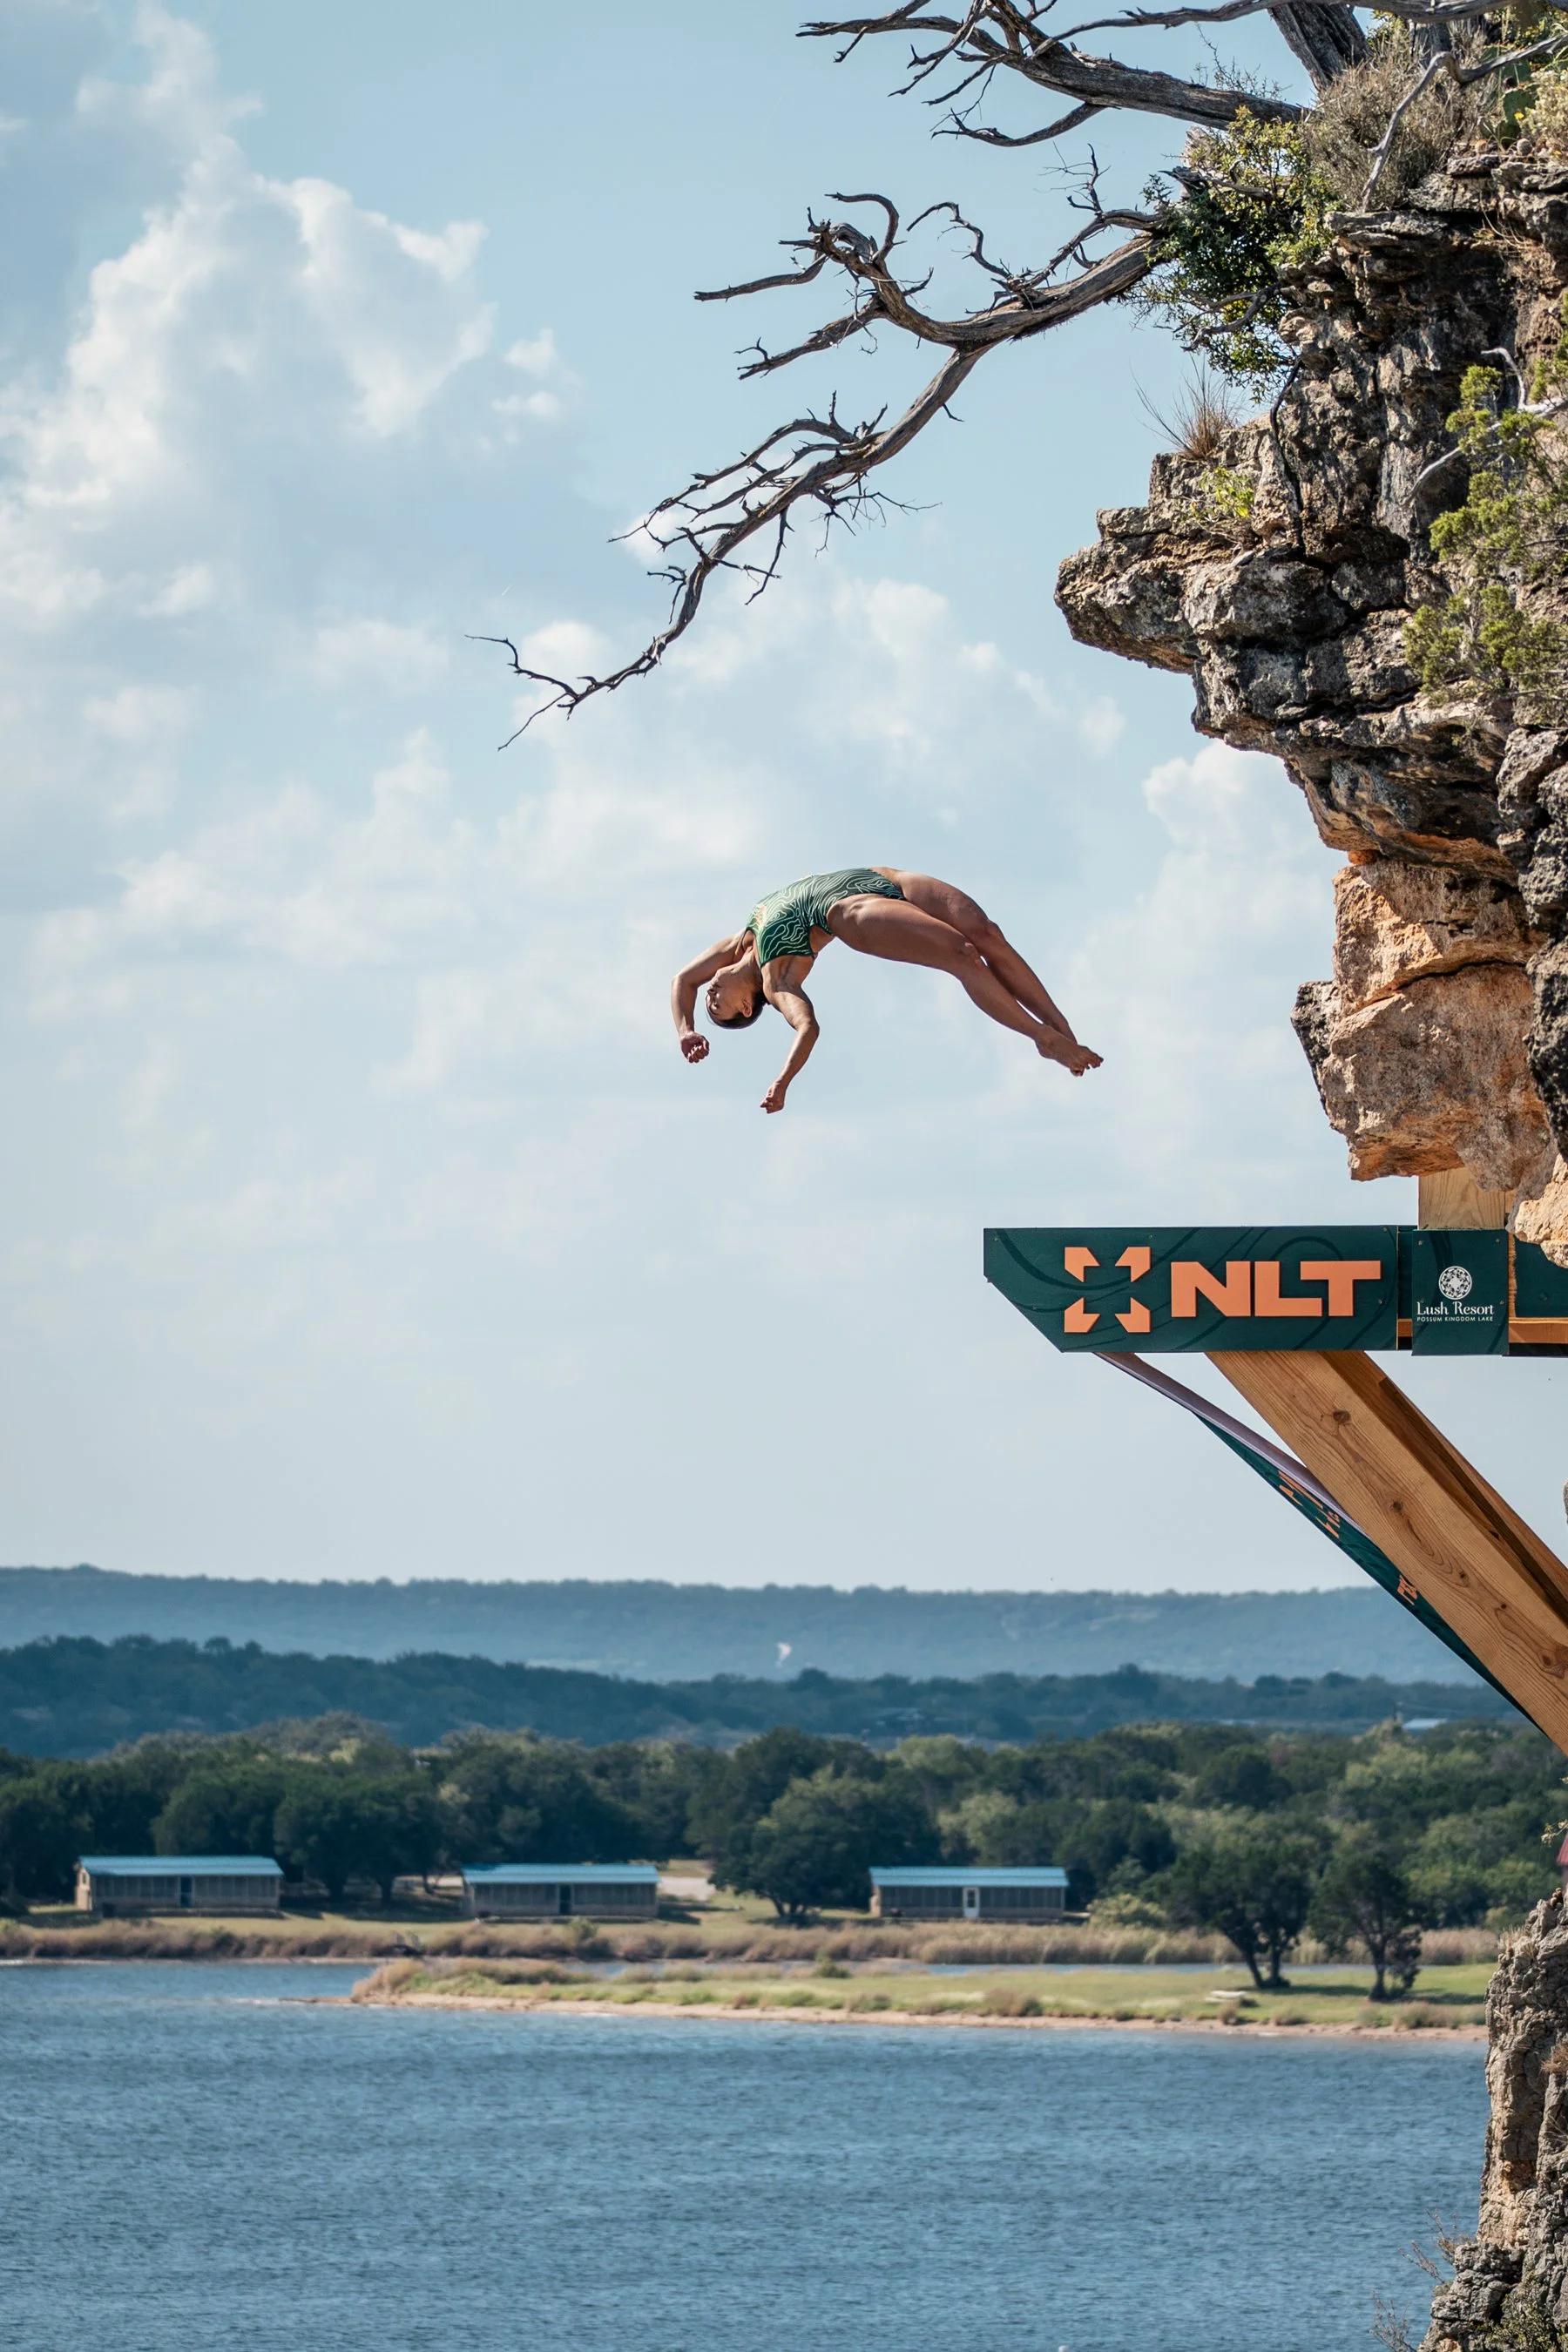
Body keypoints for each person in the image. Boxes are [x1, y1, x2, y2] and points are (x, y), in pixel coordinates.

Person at [671, 865, 1101, 1113]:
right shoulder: (777, 980)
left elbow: (683, 980)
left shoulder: (738, 942)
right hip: (850, 912)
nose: (709, 997)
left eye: (709, 1001)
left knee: (988, 934)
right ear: (748, 1007)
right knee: (963, 953)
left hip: (882, 877)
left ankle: (1061, 1029)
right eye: (718, 1009)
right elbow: (807, 1028)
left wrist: (686, 1030)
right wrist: (783, 1082)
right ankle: (1041, 1037)